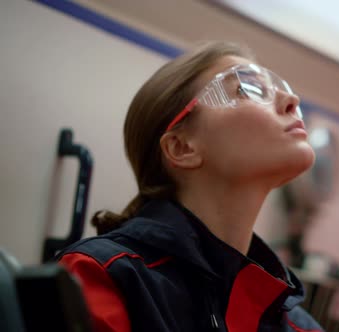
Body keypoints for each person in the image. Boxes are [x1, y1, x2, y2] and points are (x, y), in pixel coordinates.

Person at [57, 41, 322, 332]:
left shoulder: (299, 327)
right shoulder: (101, 276)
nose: (292, 100)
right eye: (249, 89)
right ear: (182, 147)